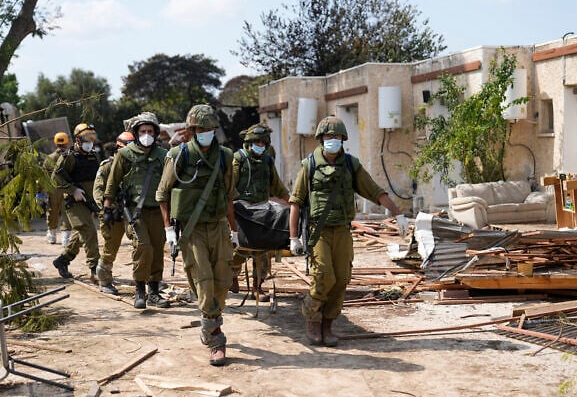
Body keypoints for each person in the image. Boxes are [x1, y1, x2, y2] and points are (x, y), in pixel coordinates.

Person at [288, 116, 408, 347]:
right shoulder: (309, 165)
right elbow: (296, 202)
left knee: (342, 278)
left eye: (336, 136)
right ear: (320, 139)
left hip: (343, 230)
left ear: (343, 139)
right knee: (324, 276)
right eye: (328, 136)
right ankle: (312, 317)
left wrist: (397, 212)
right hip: (318, 231)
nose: (332, 140)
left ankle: (328, 324)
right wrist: (293, 238)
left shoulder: (351, 165)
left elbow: (374, 190)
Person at [156, 104, 237, 366]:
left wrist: (234, 231)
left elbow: (229, 197)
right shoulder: (178, 156)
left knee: (223, 281)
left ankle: (209, 323)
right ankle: (215, 337)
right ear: (191, 131)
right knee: (204, 281)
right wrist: (169, 230)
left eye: (210, 129)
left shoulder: (225, 157)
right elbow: (163, 195)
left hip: (218, 226)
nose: (205, 133)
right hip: (191, 229)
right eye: (200, 129)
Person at [103, 112, 169, 309]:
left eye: (150, 131)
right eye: (143, 131)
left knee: (157, 250)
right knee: (143, 246)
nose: (146, 134)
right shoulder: (125, 154)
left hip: (158, 211)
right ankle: (140, 290)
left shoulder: (164, 156)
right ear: (136, 133)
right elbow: (112, 183)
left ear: (155, 133)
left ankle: (154, 292)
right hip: (134, 211)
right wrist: (107, 208)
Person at [230, 124, 290, 301]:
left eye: (263, 142)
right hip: (240, 211)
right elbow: (229, 187)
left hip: (262, 210)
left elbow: (277, 187)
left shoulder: (268, 161)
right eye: (256, 142)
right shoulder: (238, 160)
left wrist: (294, 202)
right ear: (249, 143)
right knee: (238, 249)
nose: (260, 145)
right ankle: (231, 277)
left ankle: (257, 287)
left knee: (263, 250)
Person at [52, 123, 101, 280]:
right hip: (75, 202)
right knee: (89, 231)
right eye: (87, 138)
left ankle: (63, 260)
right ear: (77, 140)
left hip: (89, 200)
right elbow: (56, 177)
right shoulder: (69, 157)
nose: (90, 141)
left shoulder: (94, 156)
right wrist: (73, 190)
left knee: (82, 232)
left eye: (92, 138)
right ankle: (95, 269)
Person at [93, 130, 135, 295]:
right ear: (119, 148)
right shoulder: (107, 166)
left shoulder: (136, 165)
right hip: (114, 213)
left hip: (132, 212)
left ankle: (149, 280)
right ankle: (104, 280)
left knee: (141, 243)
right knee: (111, 247)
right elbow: (98, 191)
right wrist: (107, 208)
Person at [44, 132, 72, 246]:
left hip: (54, 188)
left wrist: (40, 190)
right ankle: (65, 238)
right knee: (67, 212)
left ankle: (52, 235)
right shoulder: (71, 156)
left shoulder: (50, 158)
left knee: (52, 211)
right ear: (67, 141)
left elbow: (44, 175)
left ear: (55, 142)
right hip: (67, 188)